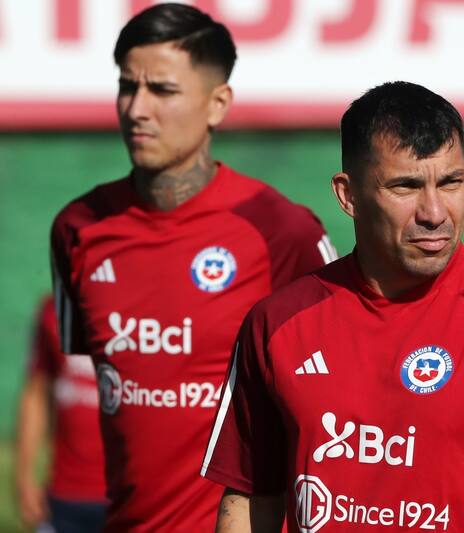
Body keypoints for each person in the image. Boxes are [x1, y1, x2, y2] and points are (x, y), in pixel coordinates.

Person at [201, 81, 464, 533]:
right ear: (348, 195)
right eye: (406, 186)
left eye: (452, 182)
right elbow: (248, 497)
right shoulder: (278, 322)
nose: (434, 211)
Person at [49, 4, 336, 531]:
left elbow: (345, 387)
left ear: (217, 104)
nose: (137, 109)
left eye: (162, 90)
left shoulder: (283, 231)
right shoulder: (77, 228)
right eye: (126, 87)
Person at [15, 296, 107, 533]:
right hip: (63, 495)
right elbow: (36, 392)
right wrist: (24, 475)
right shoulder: (54, 308)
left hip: (130, 496)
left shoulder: (146, 309)